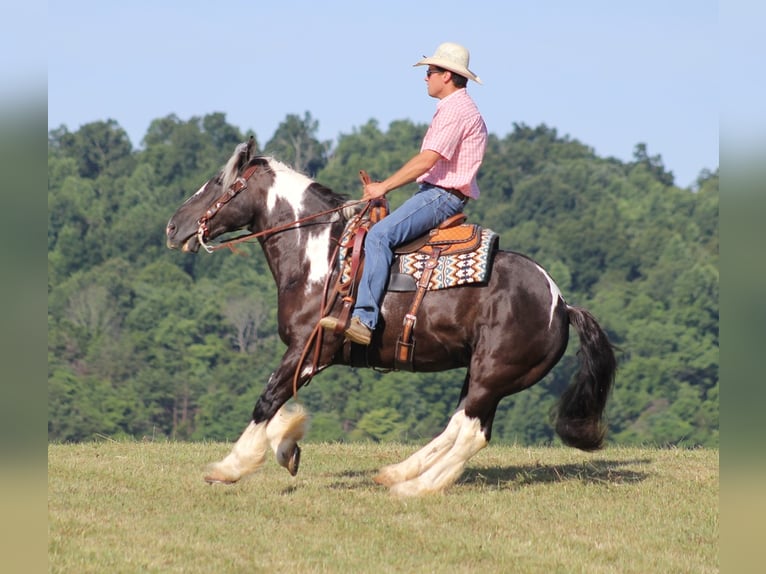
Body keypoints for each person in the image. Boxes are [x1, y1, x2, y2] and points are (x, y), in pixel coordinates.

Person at [320, 42, 488, 345]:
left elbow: (427, 159)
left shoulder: (456, 110)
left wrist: (383, 187)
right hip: (436, 193)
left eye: (430, 71)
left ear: (447, 76)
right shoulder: (458, 108)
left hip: (440, 196)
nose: (426, 77)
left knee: (378, 236)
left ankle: (364, 320)